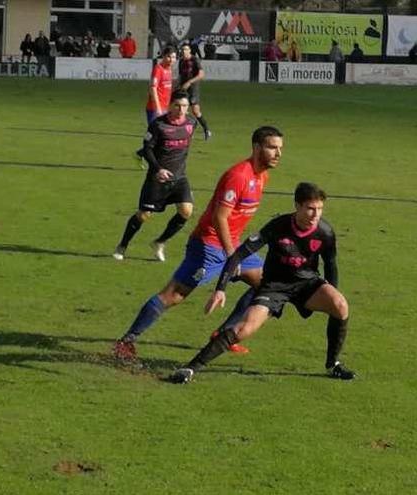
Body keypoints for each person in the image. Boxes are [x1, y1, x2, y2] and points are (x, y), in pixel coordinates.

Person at [113, 126, 283, 361]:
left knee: (269, 286)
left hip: (232, 245)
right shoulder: (239, 175)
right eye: (272, 147)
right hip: (210, 246)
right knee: (173, 296)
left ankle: (225, 334)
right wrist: (232, 254)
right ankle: (126, 341)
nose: (278, 153)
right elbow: (219, 217)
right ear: (256, 147)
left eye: (280, 148)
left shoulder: (262, 175)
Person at [168, 182, 356, 384]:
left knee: (340, 305)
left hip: (306, 284)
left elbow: (331, 265)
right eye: (310, 208)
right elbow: (238, 255)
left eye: (319, 209)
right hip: (274, 287)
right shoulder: (277, 227)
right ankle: (190, 368)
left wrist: (330, 291)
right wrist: (220, 289)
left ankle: (333, 364)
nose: (315, 215)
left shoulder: (325, 232)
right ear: (297, 206)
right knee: (243, 329)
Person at [115, 90, 198, 262]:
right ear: (170, 105)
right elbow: (147, 149)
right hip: (157, 179)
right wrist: (158, 169)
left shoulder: (191, 123)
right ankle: (122, 245)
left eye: (184, 106)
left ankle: (160, 242)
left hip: (179, 177)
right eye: (177, 105)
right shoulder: (158, 125)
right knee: (144, 215)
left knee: (186, 211)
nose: (181, 110)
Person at [178, 42, 212, 140]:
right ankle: (186, 130)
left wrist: (189, 82)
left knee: (196, 112)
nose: (183, 51)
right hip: (183, 89)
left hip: (193, 89)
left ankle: (206, 129)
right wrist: (177, 86)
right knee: (182, 110)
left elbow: (201, 75)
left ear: (189, 51)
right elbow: (180, 76)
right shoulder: (181, 61)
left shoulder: (195, 60)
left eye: (185, 49)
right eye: (182, 50)